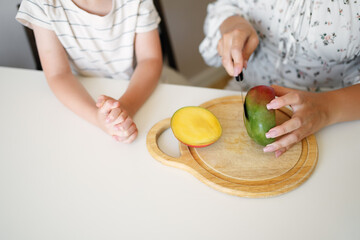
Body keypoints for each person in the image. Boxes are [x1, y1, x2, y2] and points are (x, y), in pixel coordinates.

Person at [200, 0, 360, 157]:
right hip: (243, 90)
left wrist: (326, 109)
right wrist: (233, 23)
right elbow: (225, 5)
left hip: (336, 117)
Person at [16, 0, 163, 143]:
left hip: (136, 85)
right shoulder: (41, 3)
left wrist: (127, 107)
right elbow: (58, 74)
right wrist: (97, 118)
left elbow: (150, 60)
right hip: (79, 93)